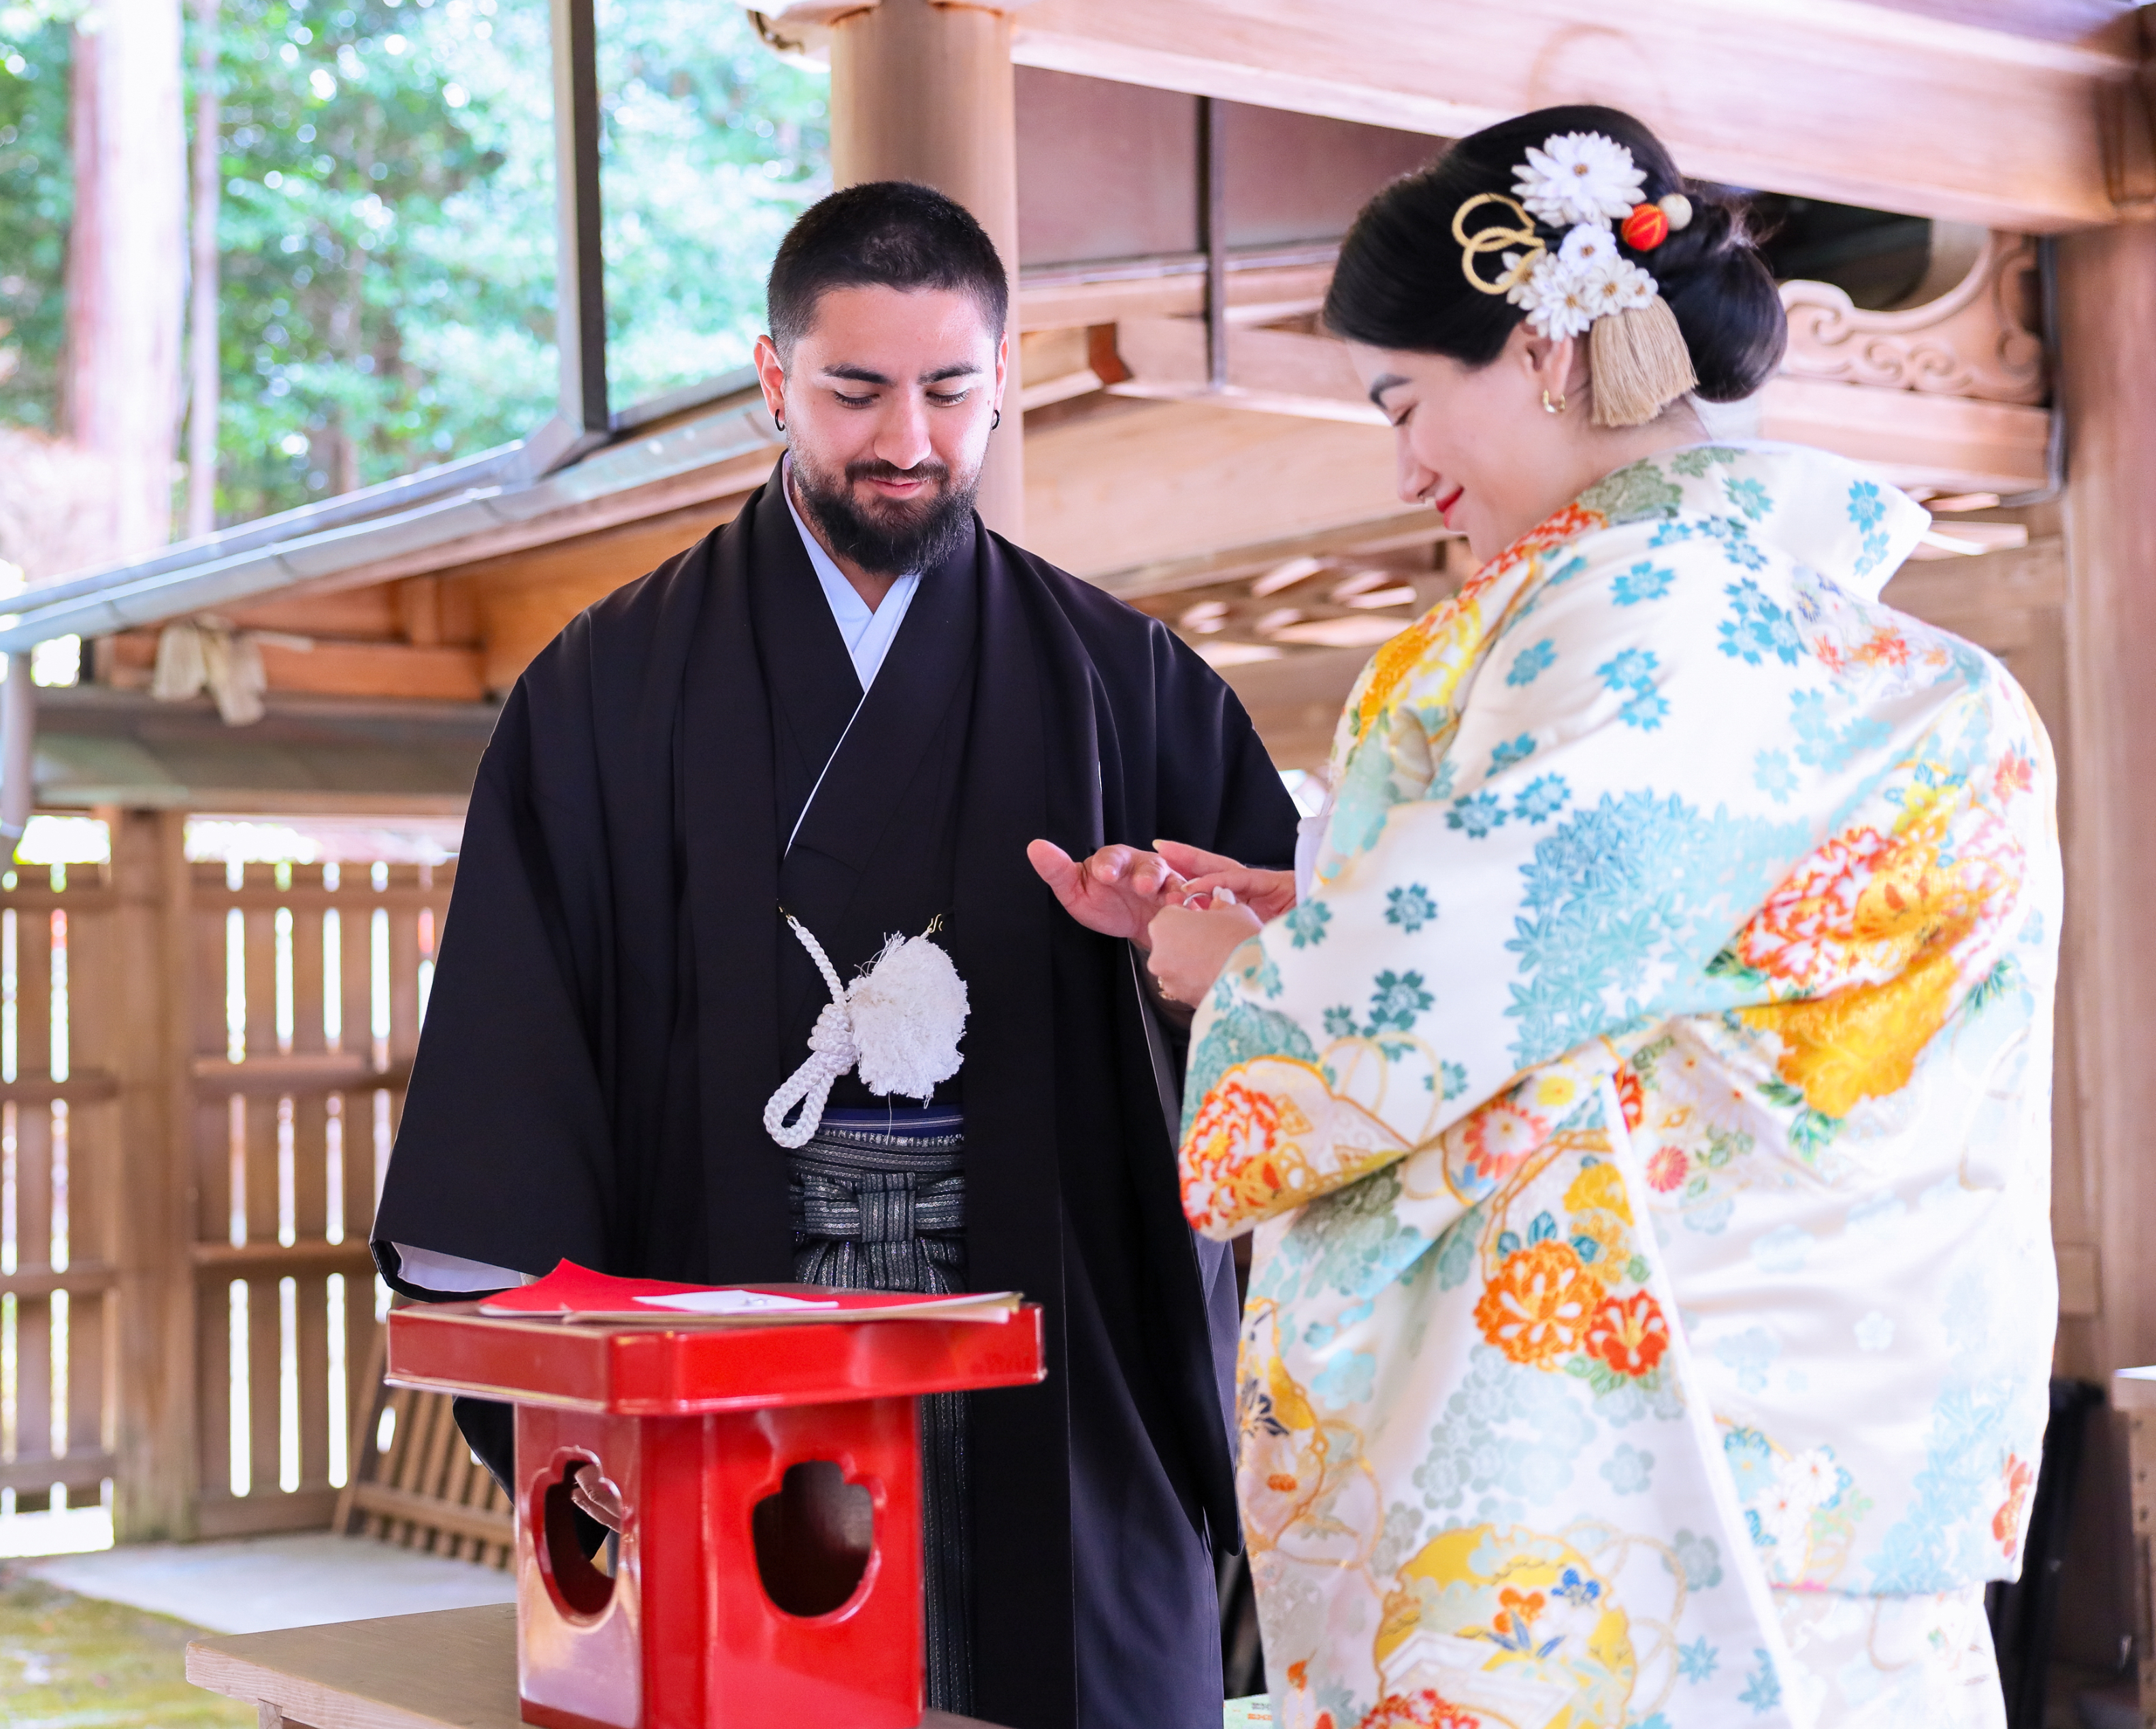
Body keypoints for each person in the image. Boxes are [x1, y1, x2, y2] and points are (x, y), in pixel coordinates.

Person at [1111, 106, 2060, 1729]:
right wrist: (1325, 900)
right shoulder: (1845, 643)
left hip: (1643, 1459)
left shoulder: (1643, 605)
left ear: (1544, 348)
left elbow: (1479, 959)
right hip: (1833, 1421)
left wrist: (1247, 974)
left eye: (1404, 399)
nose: (1406, 466)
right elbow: (1612, 933)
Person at [372, 180, 1298, 1729]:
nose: (907, 442)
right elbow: (514, 1051)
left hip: (1051, 1366)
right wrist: (562, 1384)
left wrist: (1175, 948)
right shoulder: (605, 693)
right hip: (722, 1349)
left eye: (949, 391)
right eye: (854, 391)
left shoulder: (1128, 687)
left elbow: (1290, 1012)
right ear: (769, 378)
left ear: (1004, 378)